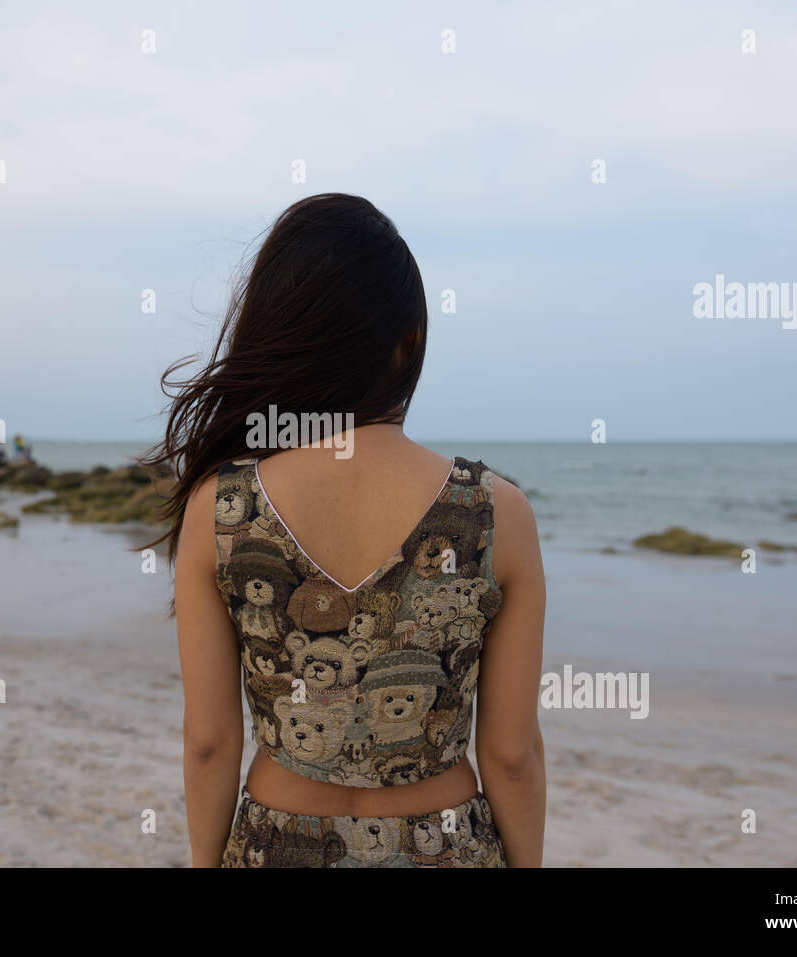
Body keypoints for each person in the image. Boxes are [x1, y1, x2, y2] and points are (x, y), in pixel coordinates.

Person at [141, 194, 546, 868]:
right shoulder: (497, 511)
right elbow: (511, 754)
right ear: (407, 345)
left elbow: (209, 741)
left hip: (277, 843)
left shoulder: (221, 508)